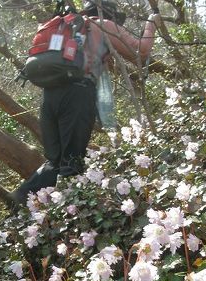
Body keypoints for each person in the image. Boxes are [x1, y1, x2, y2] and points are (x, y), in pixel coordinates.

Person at [8, 1, 161, 207]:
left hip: (50, 96)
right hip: (77, 94)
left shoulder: (64, 25)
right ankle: (69, 215)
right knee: (72, 162)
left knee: (55, 161)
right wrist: (153, 21)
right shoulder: (102, 24)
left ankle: (20, 201)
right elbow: (140, 52)